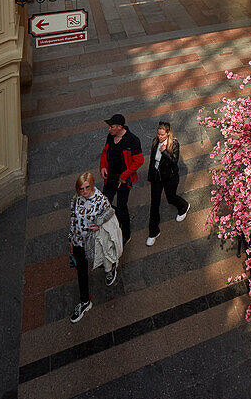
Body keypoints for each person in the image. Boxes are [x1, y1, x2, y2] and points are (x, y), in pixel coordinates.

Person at [68, 171, 118, 323]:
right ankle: (85, 302)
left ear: (92, 185)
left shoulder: (100, 199)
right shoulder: (76, 199)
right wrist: (71, 238)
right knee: (81, 272)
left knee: (102, 258)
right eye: (81, 189)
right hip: (78, 241)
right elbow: (73, 218)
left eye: (87, 187)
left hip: (95, 240)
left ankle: (111, 268)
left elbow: (110, 212)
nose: (84, 192)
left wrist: (99, 224)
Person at [100, 113, 144, 245]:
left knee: (122, 205)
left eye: (112, 126)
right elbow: (105, 151)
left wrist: (124, 176)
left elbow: (139, 161)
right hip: (111, 178)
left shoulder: (132, 140)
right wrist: (103, 166)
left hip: (123, 181)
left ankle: (126, 234)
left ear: (119, 127)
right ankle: (112, 221)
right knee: (105, 201)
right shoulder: (111, 136)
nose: (109, 129)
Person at [146, 120, 189, 245]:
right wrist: (150, 176)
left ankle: (184, 206)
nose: (159, 137)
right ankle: (153, 231)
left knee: (171, 198)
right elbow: (152, 161)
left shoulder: (174, 144)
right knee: (154, 203)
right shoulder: (155, 142)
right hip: (156, 177)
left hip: (170, 177)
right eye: (158, 134)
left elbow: (174, 162)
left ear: (168, 133)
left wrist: (164, 152)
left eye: (162, 135)